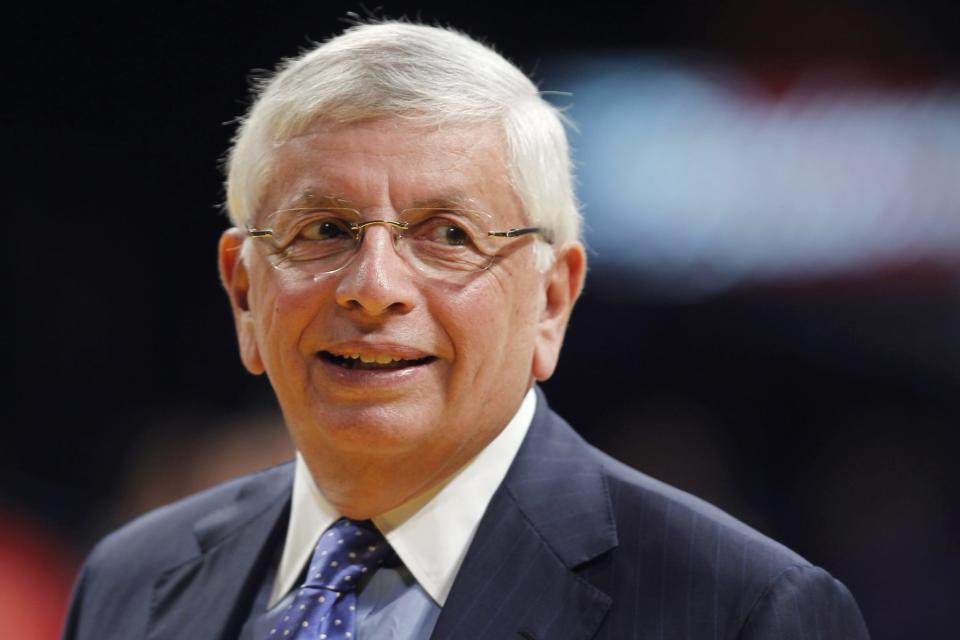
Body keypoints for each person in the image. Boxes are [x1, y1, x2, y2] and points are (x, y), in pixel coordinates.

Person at [62, 21, 869, 640]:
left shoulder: (739, 612)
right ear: (244, 292)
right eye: (325, 230)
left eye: (448, 234)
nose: (374, 288)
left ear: (551, 301)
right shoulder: (131, 581)